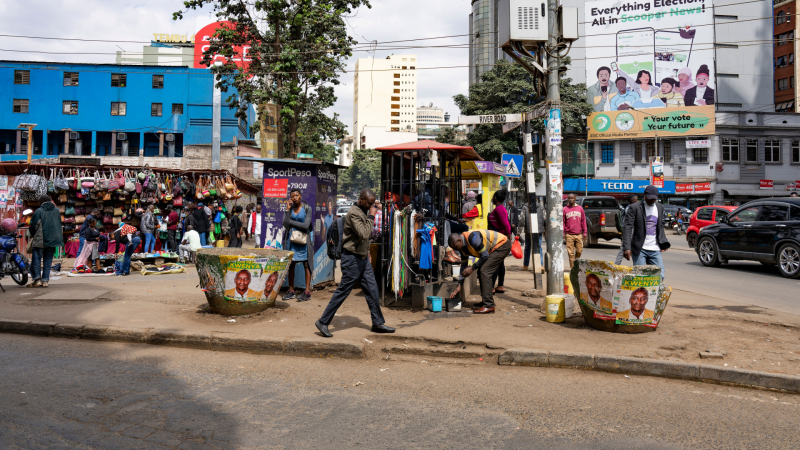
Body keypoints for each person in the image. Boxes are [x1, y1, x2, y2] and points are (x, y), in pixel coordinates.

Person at [316, 189, 395, 338]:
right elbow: (364, 233)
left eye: (373, 204)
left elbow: (363, 239)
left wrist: (367, 252)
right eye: (370, 203)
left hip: (362, 259)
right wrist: (372, 215)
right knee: (343, 291)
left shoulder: (362, 211)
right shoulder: (354, 213)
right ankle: (323, 321)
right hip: (352, 259)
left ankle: (377, 323)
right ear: (361, 199)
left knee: (372, 289)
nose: (372, 206)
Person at [447, 229, 511, 314]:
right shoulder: (463, 248)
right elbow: (463, 266)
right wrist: (459, 284)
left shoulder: (472, 238)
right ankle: (486, 301)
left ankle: (489, 305)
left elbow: (485, 255)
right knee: (481, 270)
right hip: (494, 248)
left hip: (502, 245)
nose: (456, 250)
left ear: (459, 240)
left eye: (455, 247)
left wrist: (472, 267)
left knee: (484, 271)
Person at [622, 185, 670, 279]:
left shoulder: (660, 207)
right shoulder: (635, 207)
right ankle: (641, 293)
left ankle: (653, 294)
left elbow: (660, 226)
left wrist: (663, 242)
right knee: (640, 276)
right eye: (650, 198)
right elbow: (627, 227)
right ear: (644, 195)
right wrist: (627, 247)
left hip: (655, 248)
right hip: (640, 249)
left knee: (660, 275)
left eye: (654, 199)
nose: (652, 201)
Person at [282, 189, 314, 302]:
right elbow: (285, 224)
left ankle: (307, 292)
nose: (294, 198)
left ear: (300, 196)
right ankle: (291, 291)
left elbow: (306, 225)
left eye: (296, 195)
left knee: (306, 264)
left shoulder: (307, 208)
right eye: (292, 196)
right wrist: (287, 210)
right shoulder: (290, 209)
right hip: (292, 240)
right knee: (291, 265)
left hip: (303, 240)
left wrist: (291, 222)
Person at [28, 194, 63, 288]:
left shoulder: (39, 211)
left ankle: (37, 279)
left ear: (41, 202)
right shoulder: (56, 210)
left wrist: (32, 235)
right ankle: (45, 281)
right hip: (53, 239)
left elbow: (33, 225)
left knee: (36, 259)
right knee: (48, 260)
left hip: (40, 238)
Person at [487, 189, 511, 293]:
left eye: (493, 197)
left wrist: (508, 235)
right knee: (500, 263)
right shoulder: (499, 208)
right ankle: (500, 285)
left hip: (498, 238)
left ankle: (492, 287)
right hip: (498, 237)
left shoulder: (499, 209)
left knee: (494, 262)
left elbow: (506, 224)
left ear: (495, 198)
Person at [563, 193, 587, 270]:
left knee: (579, 251)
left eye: (572, 198)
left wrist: (585, 232)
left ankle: (576, 262)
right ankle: (573, 269)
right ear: (567, 199)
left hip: (579, 234)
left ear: (575, 199)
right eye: (569, 198)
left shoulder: (580, 208)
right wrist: (563, 233)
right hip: (569, 234)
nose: (570, 199)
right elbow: (563, 222)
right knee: (570, 253)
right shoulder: (564, 209)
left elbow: (583, 221)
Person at [615, 194, 639, 265]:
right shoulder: (630, 208)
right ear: (632, 200)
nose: (638, 201)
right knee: (623, 248)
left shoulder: (631, 207)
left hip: (634, 231)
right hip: (630, 232)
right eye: (636, 199)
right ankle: (616, 265)